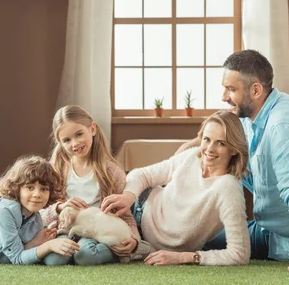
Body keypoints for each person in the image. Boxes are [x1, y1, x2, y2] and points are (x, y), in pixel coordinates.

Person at [179, 50, 289, 274]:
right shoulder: (257, 110)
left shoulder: (281, 127)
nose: (224, 96)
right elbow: (218, 132)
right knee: (190, 226)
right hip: (276, 222)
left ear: (256, 90)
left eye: (231, 89)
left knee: (188, 236)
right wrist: (189, 149)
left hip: (287, 237)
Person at [101, 111, 251, 266]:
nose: (209, 149)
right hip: (136, 206)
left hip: (145, 244)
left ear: (233, 149)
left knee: (95, 251)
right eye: (207, 139)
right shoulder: (192, 156)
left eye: (221, 143)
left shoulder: (228, 187)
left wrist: (184, 257)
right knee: (96, 199)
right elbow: (142, 174)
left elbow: (240, 254)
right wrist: (128, 197)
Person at [39, 105, 149, 266]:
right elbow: (39, 213)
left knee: (86, 256)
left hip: (98, 233)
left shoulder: (111, 172)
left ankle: (130, 250)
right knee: (54, 260)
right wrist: (59, 208)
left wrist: (134, 240)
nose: (75, 143)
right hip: (66, 230)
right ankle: (75, 252)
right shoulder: (56, 170)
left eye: (79, 134)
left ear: (92, 129)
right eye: (67, 140)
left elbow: (125, 215)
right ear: (60, 143)